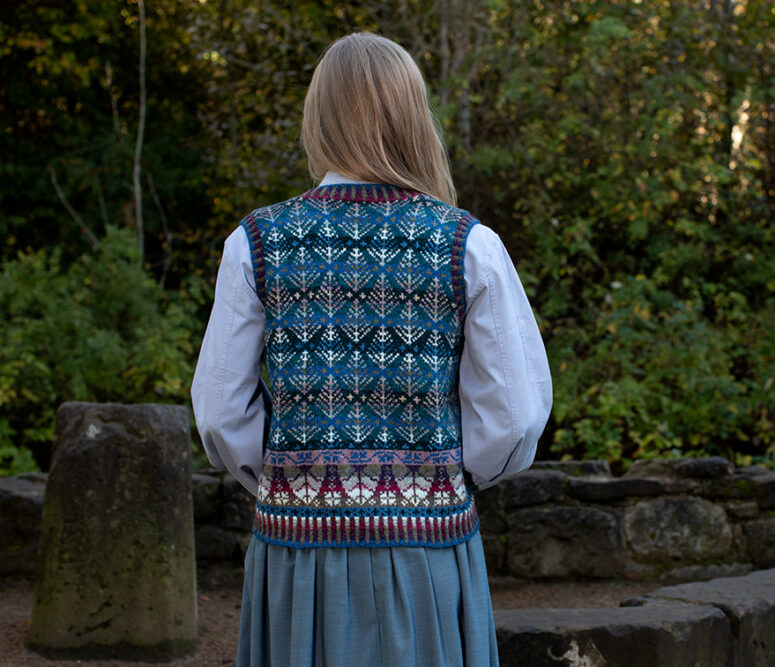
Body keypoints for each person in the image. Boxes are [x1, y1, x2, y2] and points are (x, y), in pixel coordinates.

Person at [190, 32, 552, 666]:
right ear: (413, 116)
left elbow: (221, 415)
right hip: (427, 550)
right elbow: (514, 417)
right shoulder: (467, 245)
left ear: (317, 118)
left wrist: (288, 481)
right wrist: (447, 480)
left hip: (296, 553)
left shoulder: (256, 242)